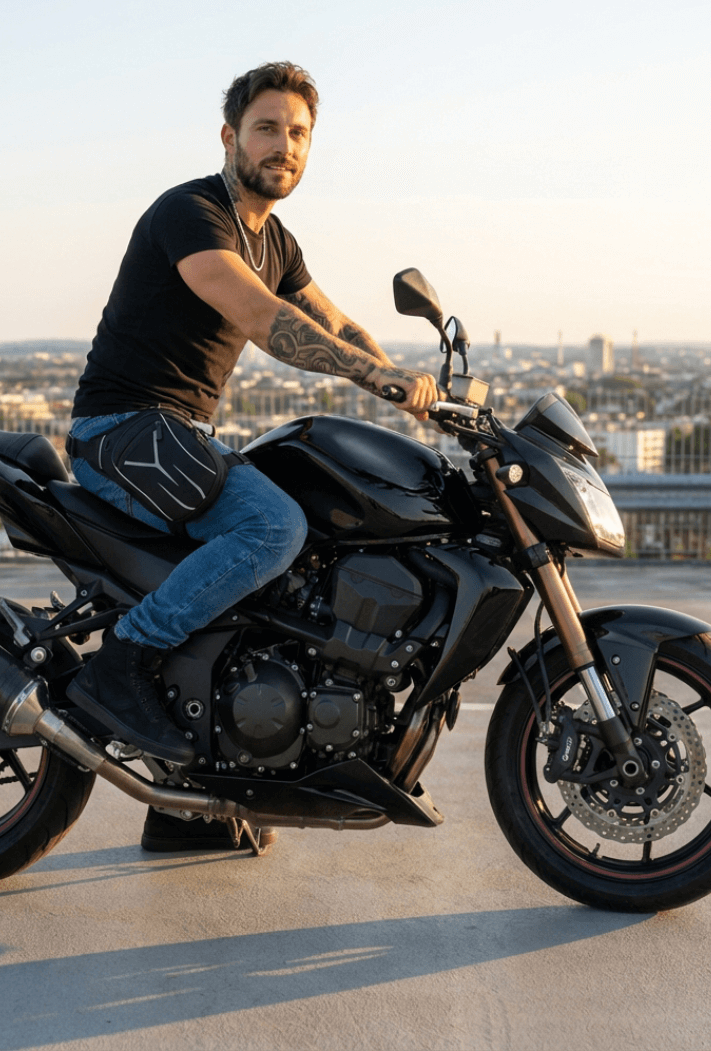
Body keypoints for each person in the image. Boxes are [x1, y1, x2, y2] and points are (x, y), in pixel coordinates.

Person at [66, 61, 440, 851]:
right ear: (231, 136)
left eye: (299, 133)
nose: (284, 145)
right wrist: (374, 374)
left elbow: (334, 325)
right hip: (122, 430)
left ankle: (184, 801)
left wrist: (410, 386)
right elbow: (267, 321)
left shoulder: (278, 239)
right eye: (268, 128)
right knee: (272, 530)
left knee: (293, 562)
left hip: (178, 439)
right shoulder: (191, 213)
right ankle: (122, 662)